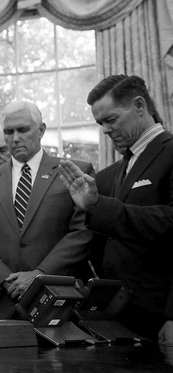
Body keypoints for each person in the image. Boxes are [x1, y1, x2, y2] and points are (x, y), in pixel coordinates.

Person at [58, 75, 173, 344]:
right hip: (121, 320)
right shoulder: (111, 174)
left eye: (111, 120)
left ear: (139, 105)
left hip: (162, 317)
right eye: (100, 123)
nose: (105, 130)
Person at [0, 101, 94, 318]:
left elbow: (82, 232)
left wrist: (40, 275)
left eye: (23, 130)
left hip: (59, 299)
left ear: (41, 130)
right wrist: (5, 280)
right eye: (9, 132)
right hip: (3, 301)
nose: (15, 138)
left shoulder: (74, 172)